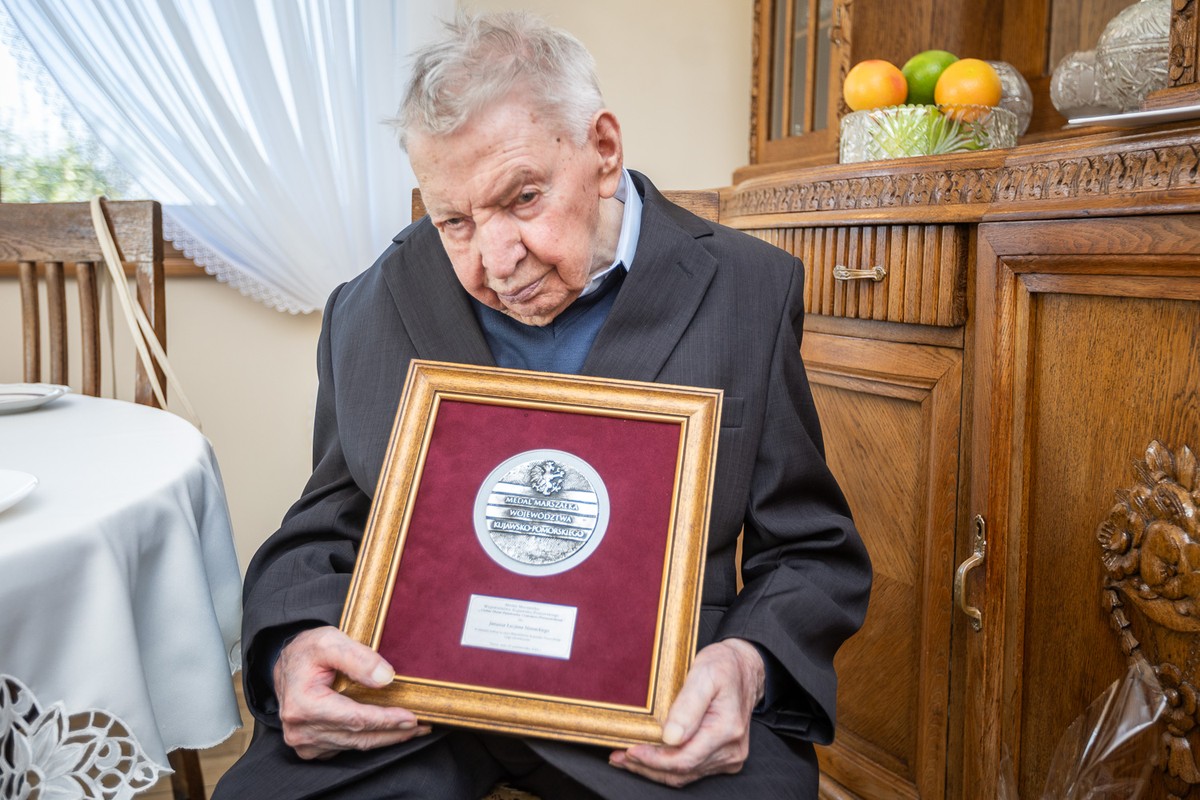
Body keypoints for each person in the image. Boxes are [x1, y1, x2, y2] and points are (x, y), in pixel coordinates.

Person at [214, 11, 871, 800]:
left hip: (653, 709)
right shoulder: (370, 305)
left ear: (602, 149)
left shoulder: (747, 291)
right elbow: (321, 528)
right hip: (414, 700)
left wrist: (747, 662)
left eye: (522, 198)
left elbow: (809, 549)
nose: (493, 262)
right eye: (453, 219)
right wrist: (291, 649)